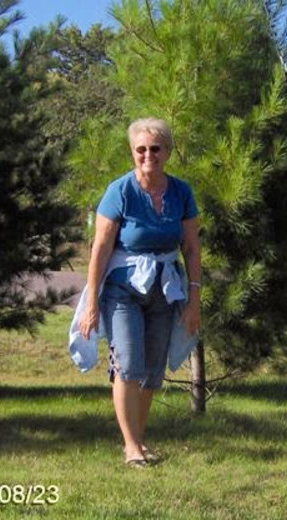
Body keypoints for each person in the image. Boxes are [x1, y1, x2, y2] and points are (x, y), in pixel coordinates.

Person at [73, 117, 201, 468]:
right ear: (132, 152)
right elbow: (100, 248)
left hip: (164, 288)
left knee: (153, 369)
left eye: (155, 149)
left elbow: (190, 248)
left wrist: (194, 300)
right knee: (128, 364)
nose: (148, 155)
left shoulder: (181, 192)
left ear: (168, 152)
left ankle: (139, 440)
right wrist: (92, 304)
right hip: (121, 290)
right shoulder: (120, 191)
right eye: (141, 149)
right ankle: (130, 445)